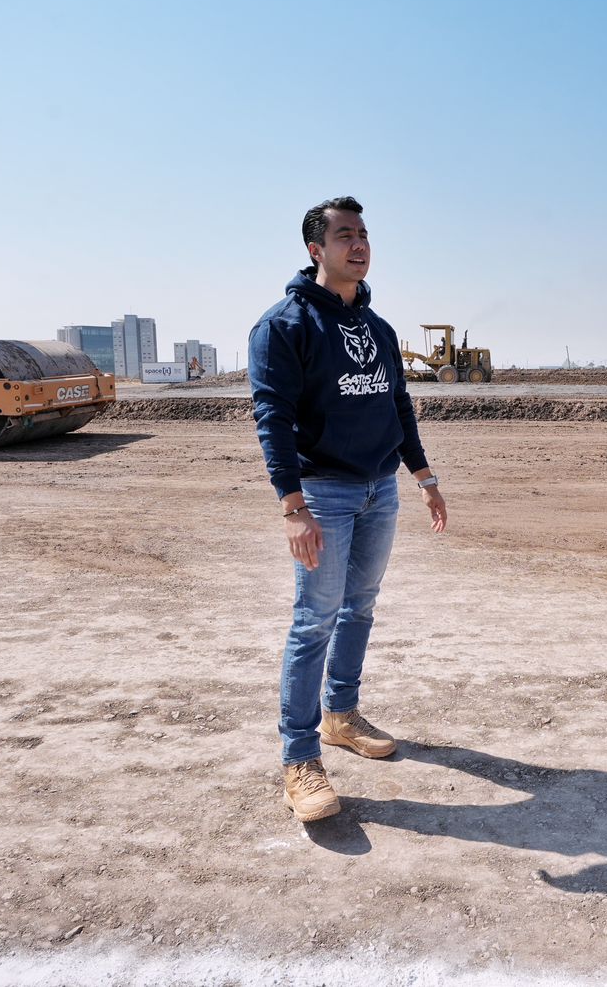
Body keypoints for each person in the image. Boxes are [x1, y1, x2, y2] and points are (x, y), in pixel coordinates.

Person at [248, 196, 447, 823]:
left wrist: (423, 474)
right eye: (343, 236)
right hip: (323, 494)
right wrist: (292, 506)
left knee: (360, 607)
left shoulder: (379, 329)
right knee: (314, 620)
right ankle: (299, 759)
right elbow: (272, 417)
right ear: (316, 250)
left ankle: (340, 715)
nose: (357, 246)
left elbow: (398, 406)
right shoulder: (284, 325)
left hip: (378, 489)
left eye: (363, 235)